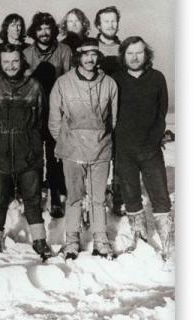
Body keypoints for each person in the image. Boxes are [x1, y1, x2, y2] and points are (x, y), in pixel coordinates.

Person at [49, 38, 118, 259]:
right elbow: (54, 120)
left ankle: (101, 239)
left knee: (98, 197)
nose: (90, 58)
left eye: (94, 54)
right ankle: (71, 240)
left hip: (101, 148)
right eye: (85, 53)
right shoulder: (63, 83)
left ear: (99, 57)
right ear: (78, 56)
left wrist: (101, 138)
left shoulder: (109, 84)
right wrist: (66, 142)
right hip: (72, 150)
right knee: (74, 197)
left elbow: (113, 119)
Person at [0, 44, 50, 259]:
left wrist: (30, 141)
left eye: (15, 61)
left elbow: (41, 119)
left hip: (28, 152)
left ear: (22, 61)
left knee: (32, 198)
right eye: (6, 62)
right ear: (0, 64)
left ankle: (39, 241)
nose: (11, 66)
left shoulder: (35, 87)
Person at [111, 36, 173, 259]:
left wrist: (154, 138)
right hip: (124, 150)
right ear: (123, 55)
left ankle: (167, 243)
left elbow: (161, 112)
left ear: (146, 55)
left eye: (139, 52)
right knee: (131, 196)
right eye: (130, 53)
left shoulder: (157, 78)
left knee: (160, 195)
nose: (134, 57)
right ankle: (141, 239)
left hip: (150, 149)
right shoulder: (115, 80)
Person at [24, 12, 72, 219]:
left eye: (47, 28)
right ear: (34, 31)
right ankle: (32, 199)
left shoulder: (64, 51)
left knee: (55, 155)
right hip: (34, 112)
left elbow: (70, 80)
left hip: (57, 111)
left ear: (53, 30)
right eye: (40, 28)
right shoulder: (26, 54)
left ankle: (55, 196)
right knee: (34, 155)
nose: (44, 32)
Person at [94, 6, 124, 216]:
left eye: (114, 21)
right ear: (98, 25)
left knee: (120, 154)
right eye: (107, 21)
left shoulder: (125, 48)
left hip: (120, 108)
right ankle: (95, 197)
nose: (111, 25)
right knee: (98, 154)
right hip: (97, 108)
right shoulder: (91, 48)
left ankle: (119, 195)